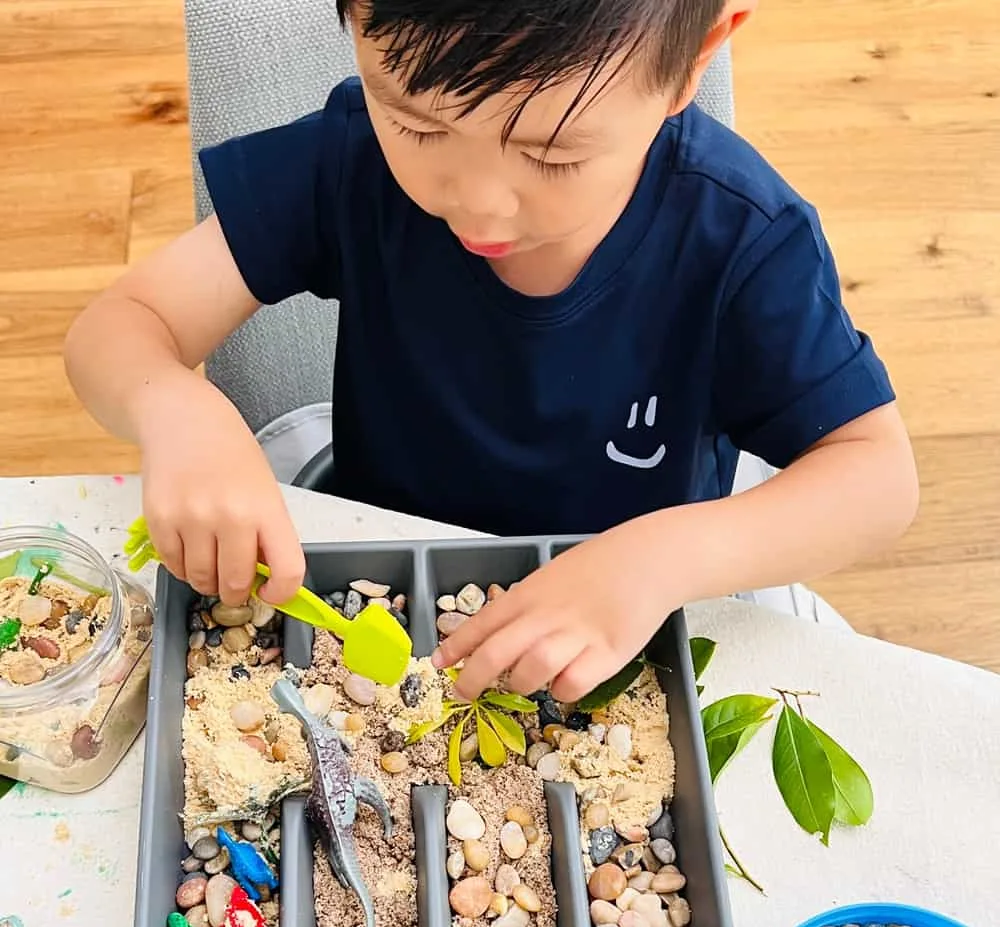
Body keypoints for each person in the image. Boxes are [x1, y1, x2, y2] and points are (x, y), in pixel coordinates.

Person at [64, 0, 919, 703]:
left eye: (553, 154)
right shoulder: (351, 157)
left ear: (696, 59)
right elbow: (120, 324)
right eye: (420, 127)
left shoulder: (739, 239)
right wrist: (176, 406)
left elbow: (876, 478)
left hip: (623, 611)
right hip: (386, 572)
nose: (477, 208)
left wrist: (661, 557)